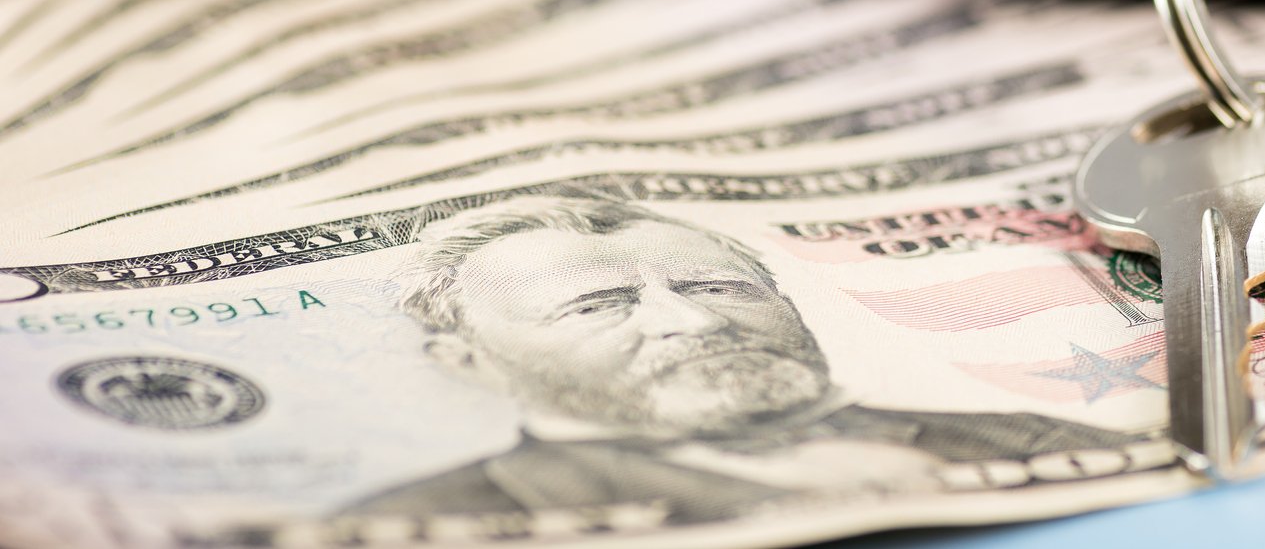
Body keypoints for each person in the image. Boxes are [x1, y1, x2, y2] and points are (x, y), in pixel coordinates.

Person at [350, 193, 1131, 521]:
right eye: (596, 307)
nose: (686, 320)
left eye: (719, 287)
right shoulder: (418, 523)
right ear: (467, 361)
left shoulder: (1053, 444)